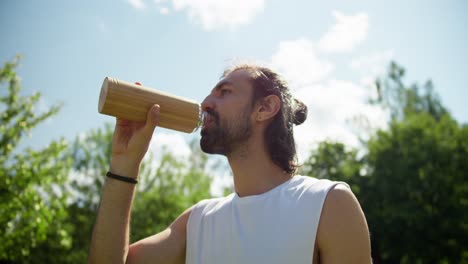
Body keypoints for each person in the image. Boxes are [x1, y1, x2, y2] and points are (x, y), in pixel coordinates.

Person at [88, 64, 372, 264]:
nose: (205, 103)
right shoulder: (198, 221)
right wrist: (124, 164)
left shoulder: (327, 203)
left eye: (224, 92)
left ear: (265, 108)